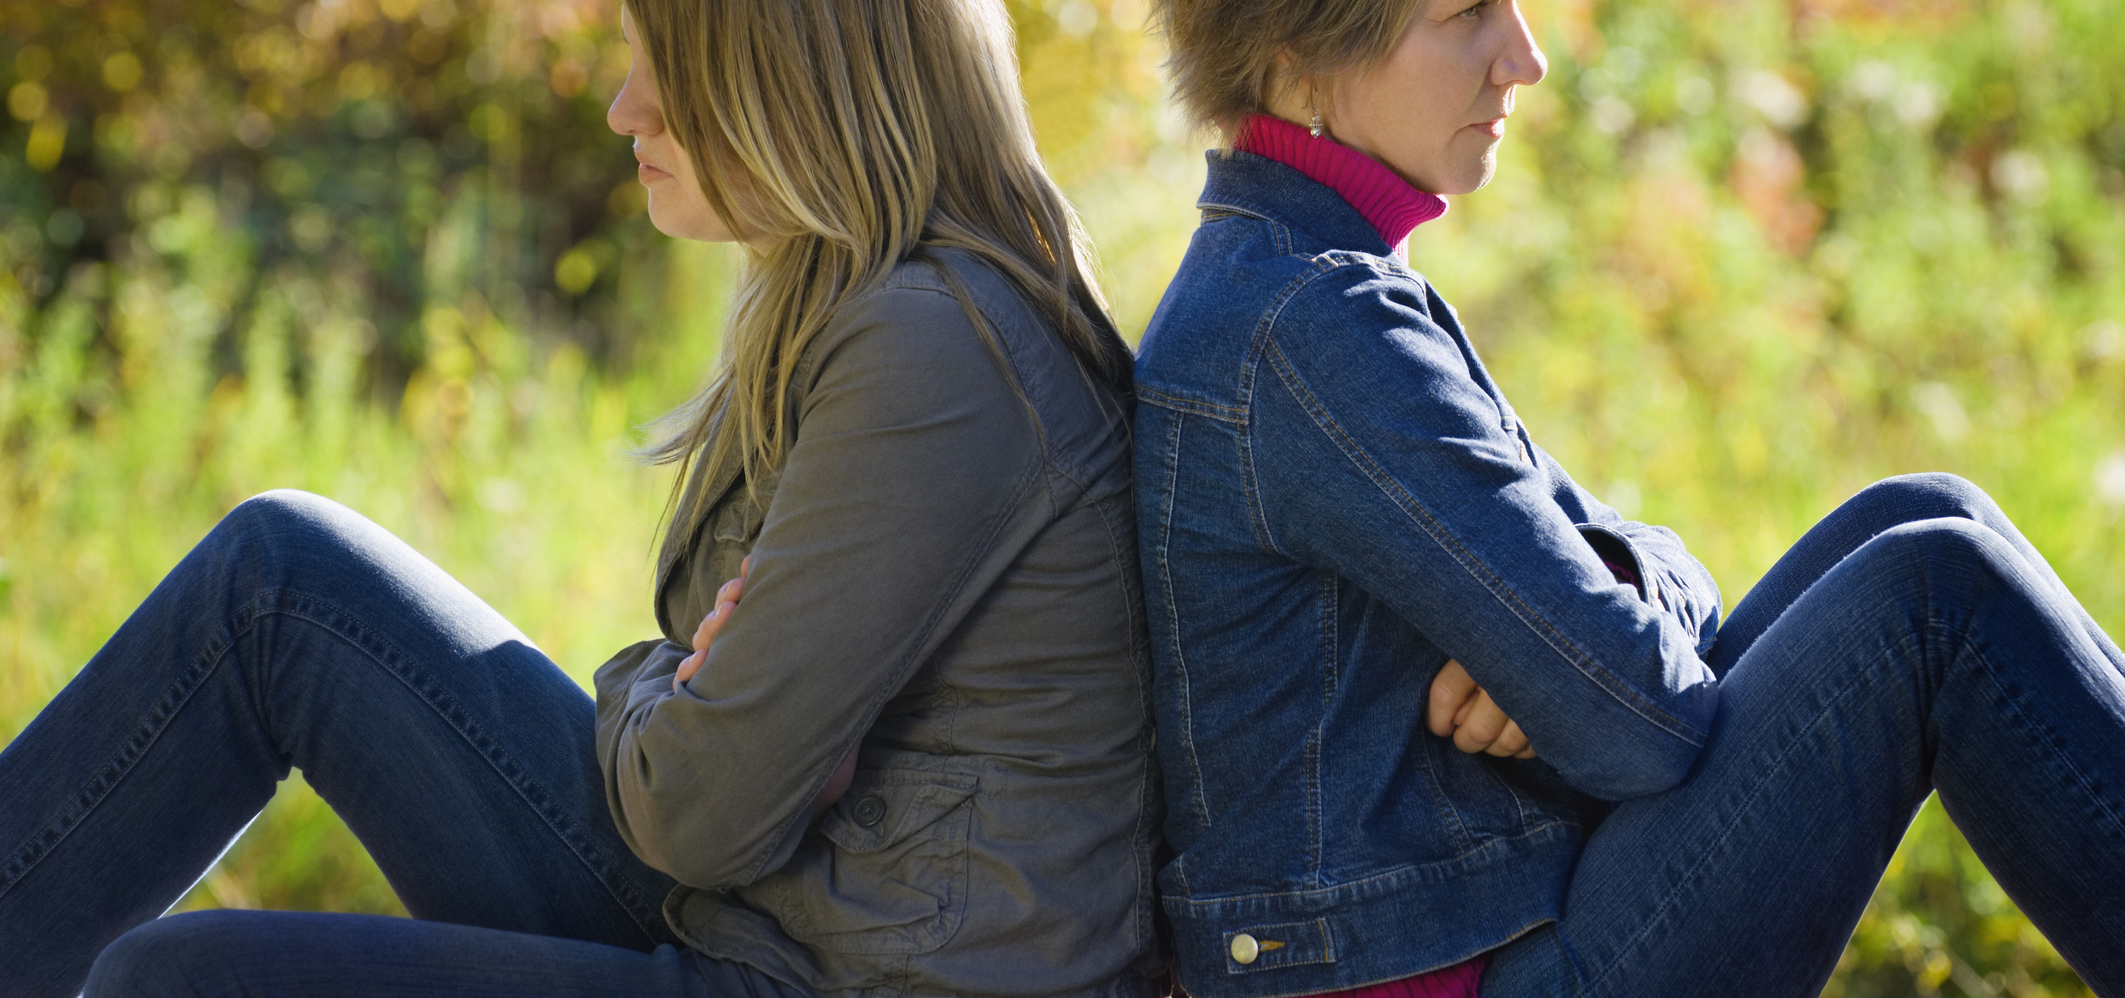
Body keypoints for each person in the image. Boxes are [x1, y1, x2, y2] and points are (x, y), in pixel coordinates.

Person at [0, 1, 1164, 995]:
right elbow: (709, 772)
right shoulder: (864, 299)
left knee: (181, 979)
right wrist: (683, 687)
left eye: (671, 64)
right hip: (774, 920)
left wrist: (667, 688)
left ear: (794, 87)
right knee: (280, 582)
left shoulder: (934, 354)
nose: (624, 108)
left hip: (836, 970)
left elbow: (700, 811)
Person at [1132, 1, 2125, 996]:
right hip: (1453, 978)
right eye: (1464, 13)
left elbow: (1628, 596)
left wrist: (1596, 599)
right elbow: (1639, 723)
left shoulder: (1291, 278)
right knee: (1935, 594)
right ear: (1298, 52)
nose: (1525, 59)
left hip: (1494, 923)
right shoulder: (1314, 325)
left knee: (1924, 508)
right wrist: (1573, 653)